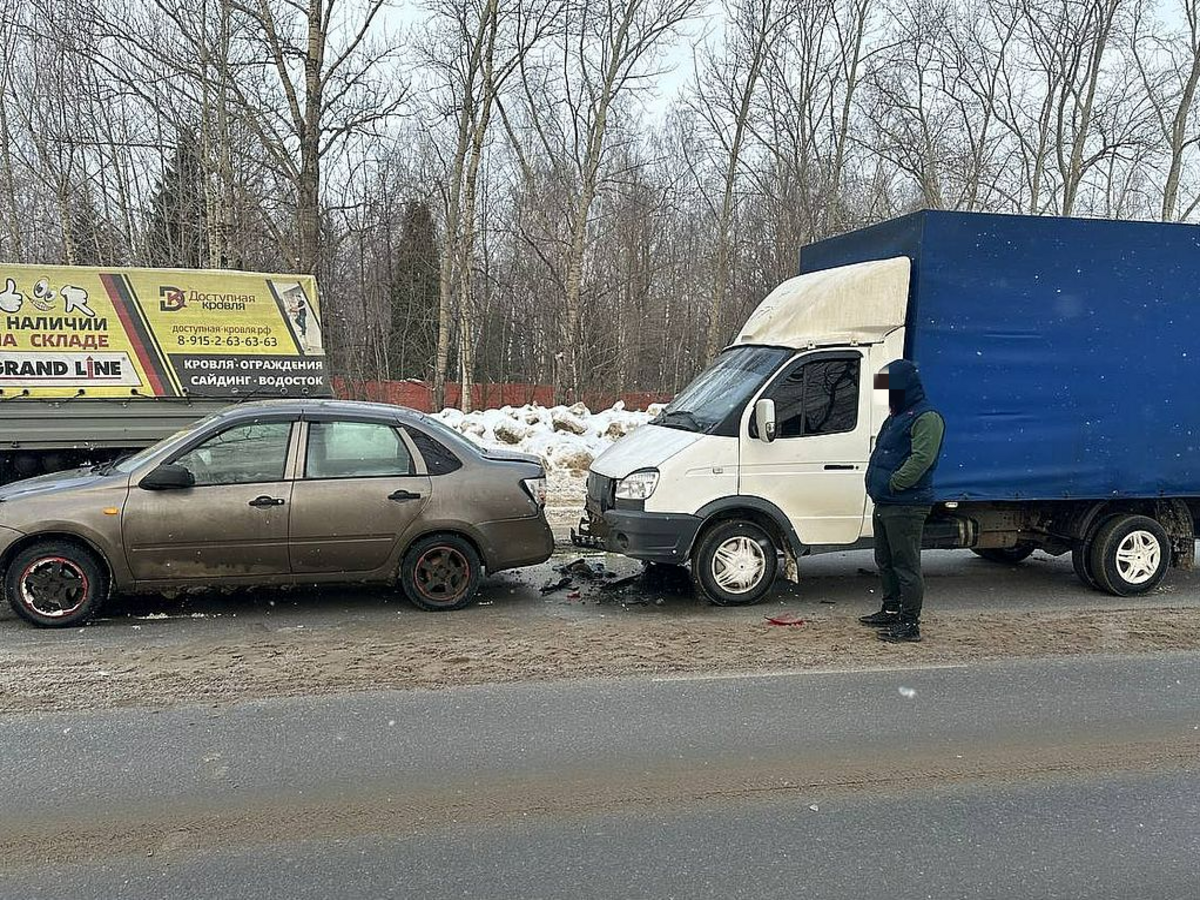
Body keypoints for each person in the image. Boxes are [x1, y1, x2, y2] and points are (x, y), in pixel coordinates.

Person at [859, 359, 945, 643]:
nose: (883, 394)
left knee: (905, 564)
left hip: (906, 503)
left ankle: (910, 624)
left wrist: (895, 484)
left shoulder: (926, 417)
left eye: (887, 386)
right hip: (886, 501)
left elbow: (921, 459)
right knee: (885, 560)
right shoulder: (898, 414)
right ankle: (891, 608)